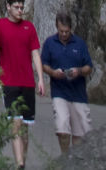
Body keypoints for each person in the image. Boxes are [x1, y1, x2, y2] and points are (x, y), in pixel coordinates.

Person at [0, 0, 46, 168]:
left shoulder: (29, 27)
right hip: (9, 82)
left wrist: (41, 79)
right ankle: (19, 163)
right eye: (16, 7)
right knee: (15, 123)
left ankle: (24, 160)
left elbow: (35, 53)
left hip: (27, 82)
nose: (20, 10)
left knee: (25, 128)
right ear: (8, 7)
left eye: (22, 7)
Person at [40, 12, 94, 153]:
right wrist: (52, 73)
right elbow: (44, 64)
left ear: (71, 28)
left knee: (81, 133)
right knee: (62, 127)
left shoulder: (79, 44)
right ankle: (65, 157)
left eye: (67, 31)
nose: (64, 34)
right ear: (57, 28)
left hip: (78, 94)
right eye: (61, 31)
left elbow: (89, 66)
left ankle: (75, 161)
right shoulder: (50, 43)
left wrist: (79, 71)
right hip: (59, 92)